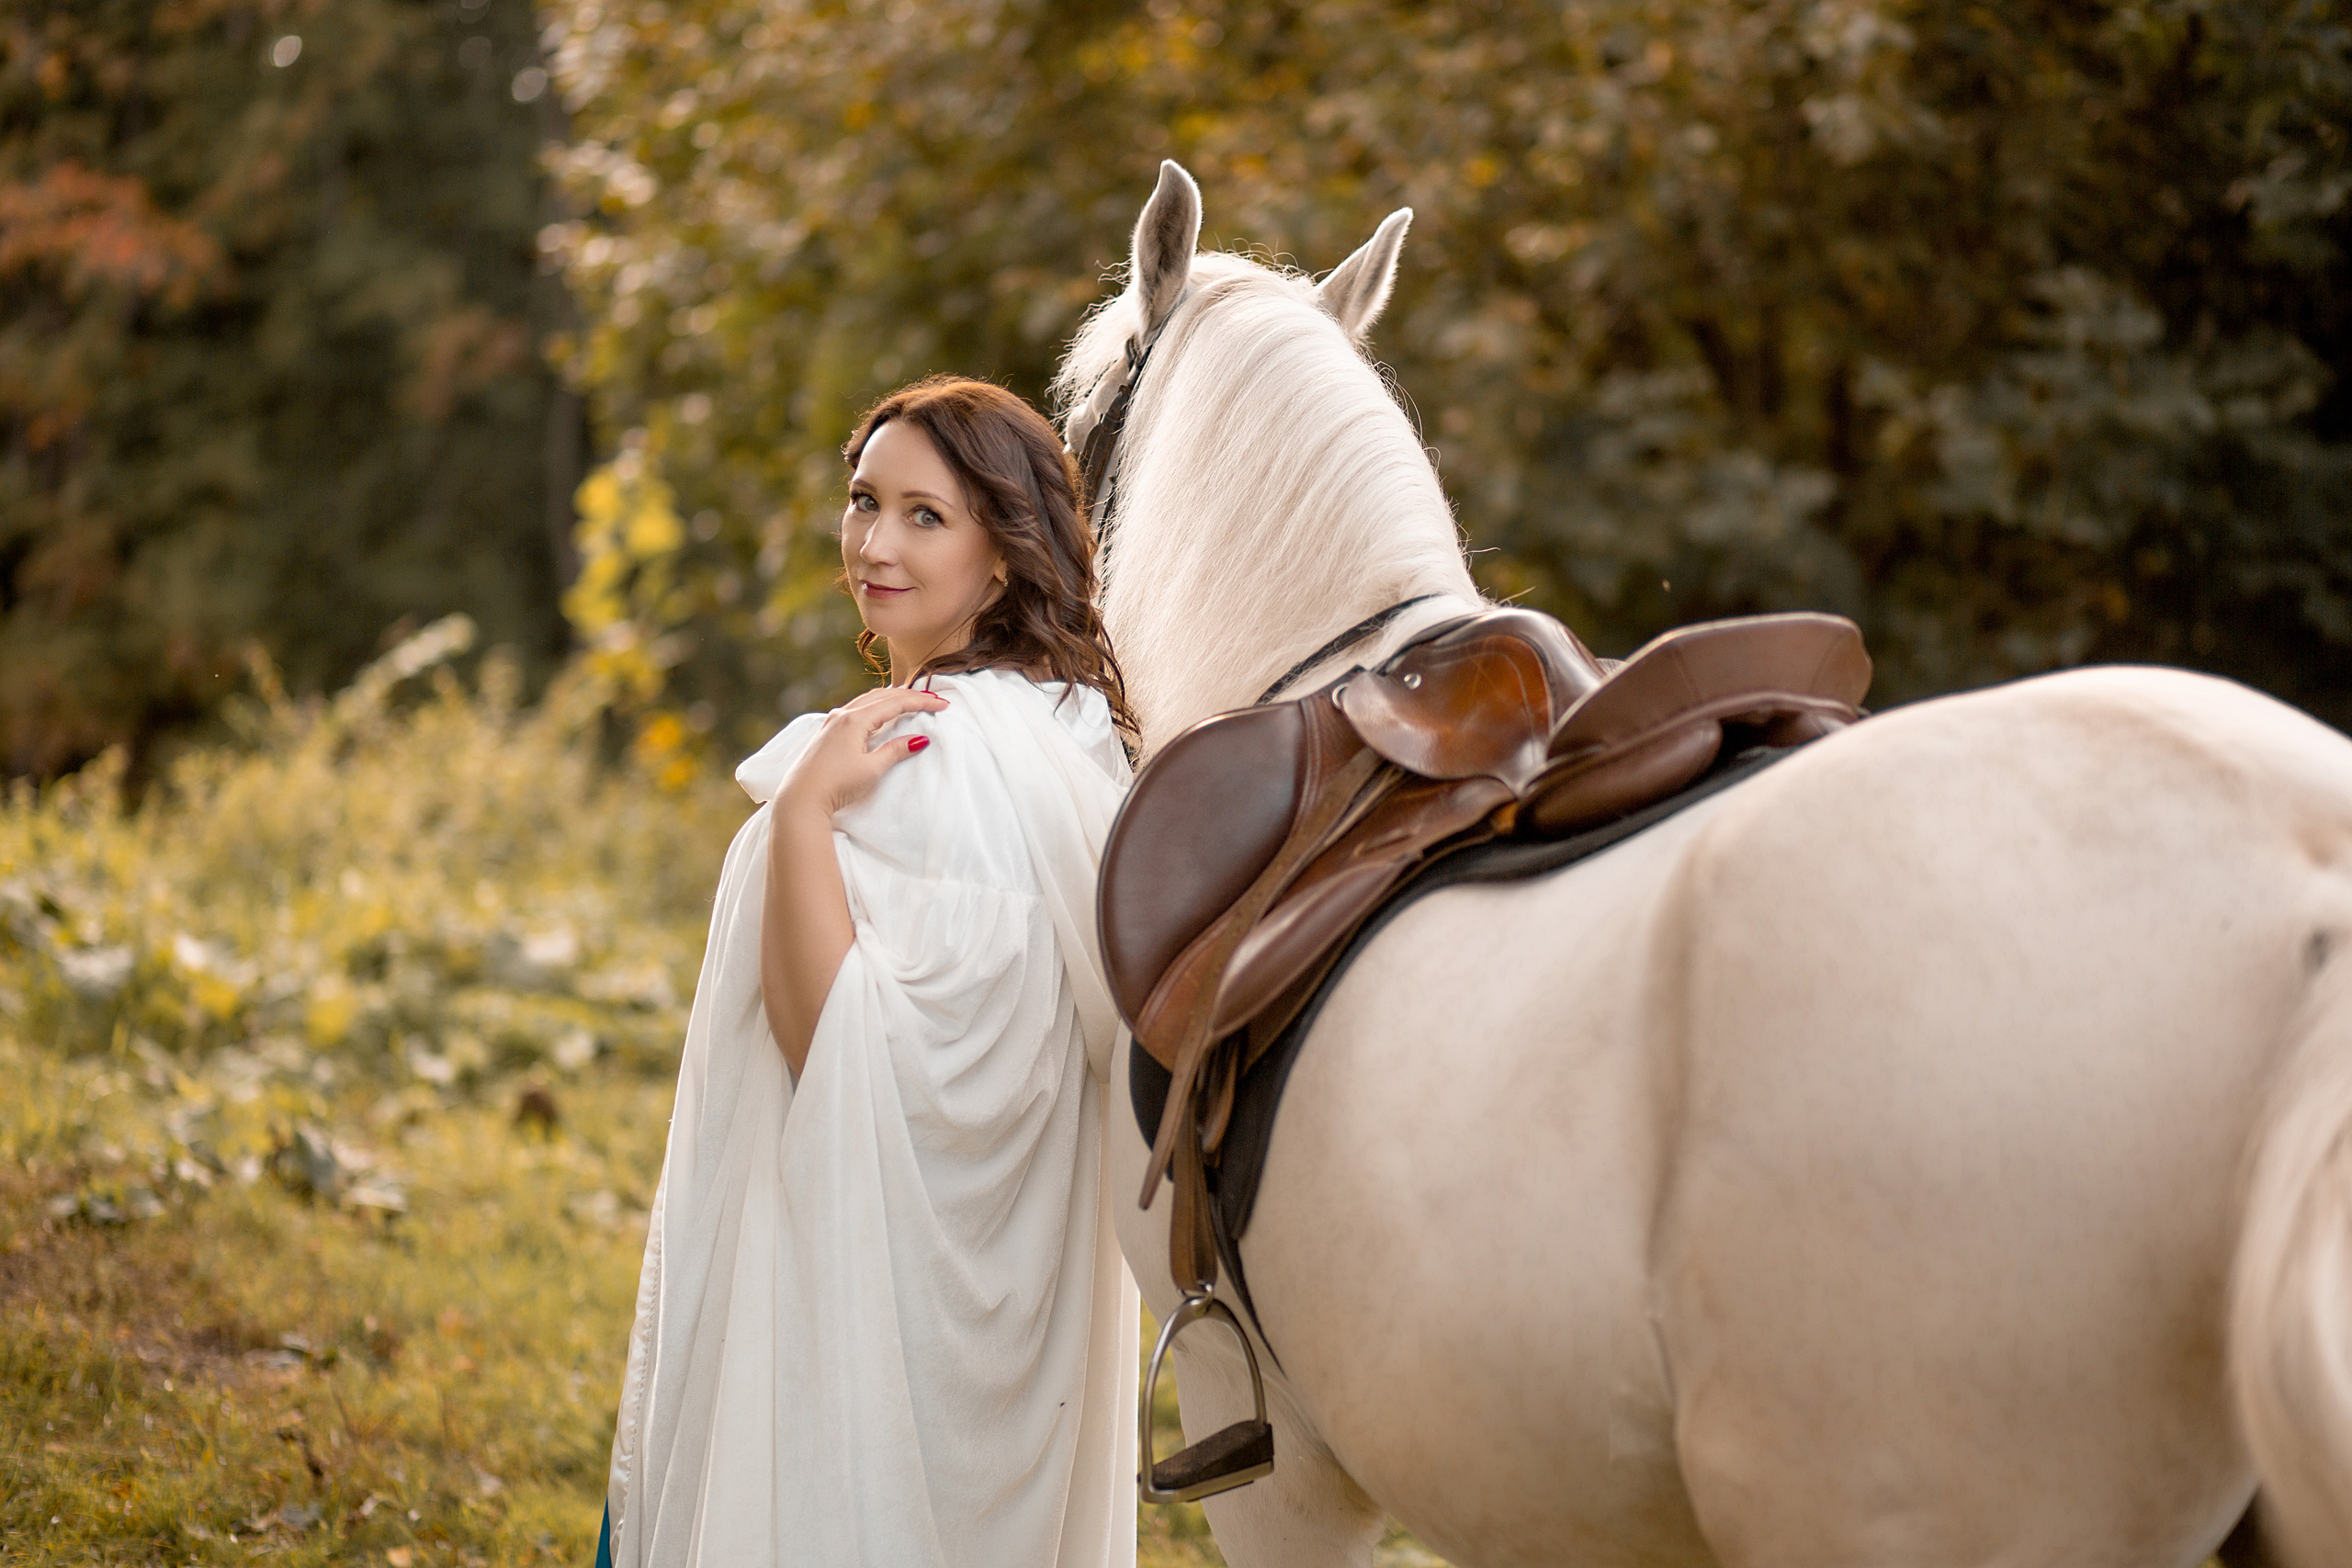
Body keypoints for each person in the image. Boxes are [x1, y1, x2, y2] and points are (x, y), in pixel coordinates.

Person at [595, 378, 1141, 1567]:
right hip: (1004, 1317)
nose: (875, 545)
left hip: (878, 1314)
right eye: (863, 501)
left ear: (1004, 556)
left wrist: (802, 814)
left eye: (923, 516)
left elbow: (841, 1057)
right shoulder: (1063, 735)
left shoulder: (931, 760)